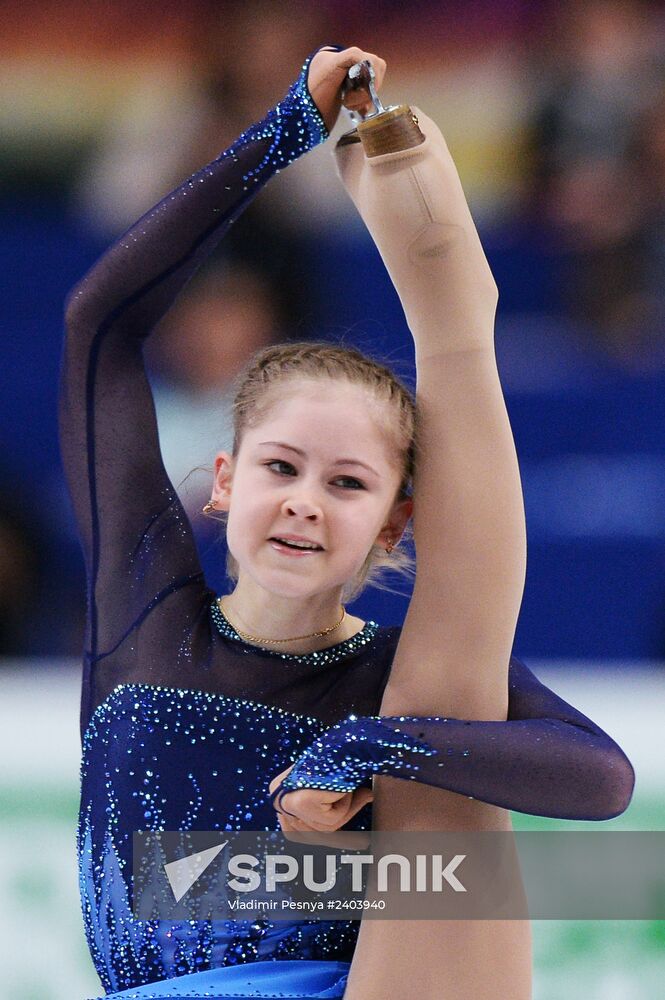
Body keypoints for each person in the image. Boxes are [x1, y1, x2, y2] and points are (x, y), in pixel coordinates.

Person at [61, 45, 635, 1000]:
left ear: (392, 525)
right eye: (281, 469)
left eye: (346, 484)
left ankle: (453, 321)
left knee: (442, 734)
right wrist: (281, 130)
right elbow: (99, 326)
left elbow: (601, 780)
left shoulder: (392, 676)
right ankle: (450, 308)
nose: (302, 500)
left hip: (377, 984)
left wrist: (367, 743)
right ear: (222, 482)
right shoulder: (145, 611)